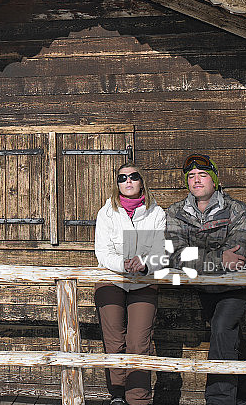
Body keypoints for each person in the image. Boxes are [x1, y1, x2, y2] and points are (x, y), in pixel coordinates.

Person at [165, 153, 246, 405]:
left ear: (214, 180)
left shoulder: (238, 209)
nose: (196, 180)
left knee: (222, 329)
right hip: (205, 288)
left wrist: (199, 259)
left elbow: (238, 256)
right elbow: (176, 256)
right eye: (191, 176)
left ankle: (218, 400)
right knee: (228, 339)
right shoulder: (175, 212)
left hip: (235, 285)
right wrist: (220, 258)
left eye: (202, 175)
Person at [94, 162, 166, 405]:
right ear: (117, 184)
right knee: (114, 341)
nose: (128, 181)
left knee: (138, 342)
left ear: (141, 181)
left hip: (143, 281)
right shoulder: (106, 213)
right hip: (111, 280)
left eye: (133, 176)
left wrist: (144, 262)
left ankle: (138, 399)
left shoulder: (156, 213)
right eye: (122, 177)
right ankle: (117, 395)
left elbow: (161, 252)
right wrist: (122, 263)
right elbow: (102, 252)